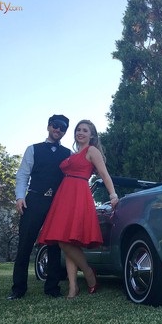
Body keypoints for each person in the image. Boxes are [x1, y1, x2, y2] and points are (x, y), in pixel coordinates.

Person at [37, 120, 119, 299]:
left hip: (79, 194)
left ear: (91, 135)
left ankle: (89, 272)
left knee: (66, 242)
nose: (80, 133)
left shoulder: (92, 151)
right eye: (78, 130)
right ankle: (73, 287)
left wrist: (113, 195)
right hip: (64, 196)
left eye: (85, 130)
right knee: (65, 241)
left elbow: (104, 174)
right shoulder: (73, 153)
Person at [7, 114, 71, 300]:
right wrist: (20, 197)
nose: (58, 130)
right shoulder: (32, 149)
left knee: (54, 246)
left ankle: (52, 288)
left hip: (57, 204)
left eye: (62, 128)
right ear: (49, 126)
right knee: (25, 244)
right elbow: (22, 175)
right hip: (34, 200)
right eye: (55, 126)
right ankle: (18, 289)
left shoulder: (68, 154)